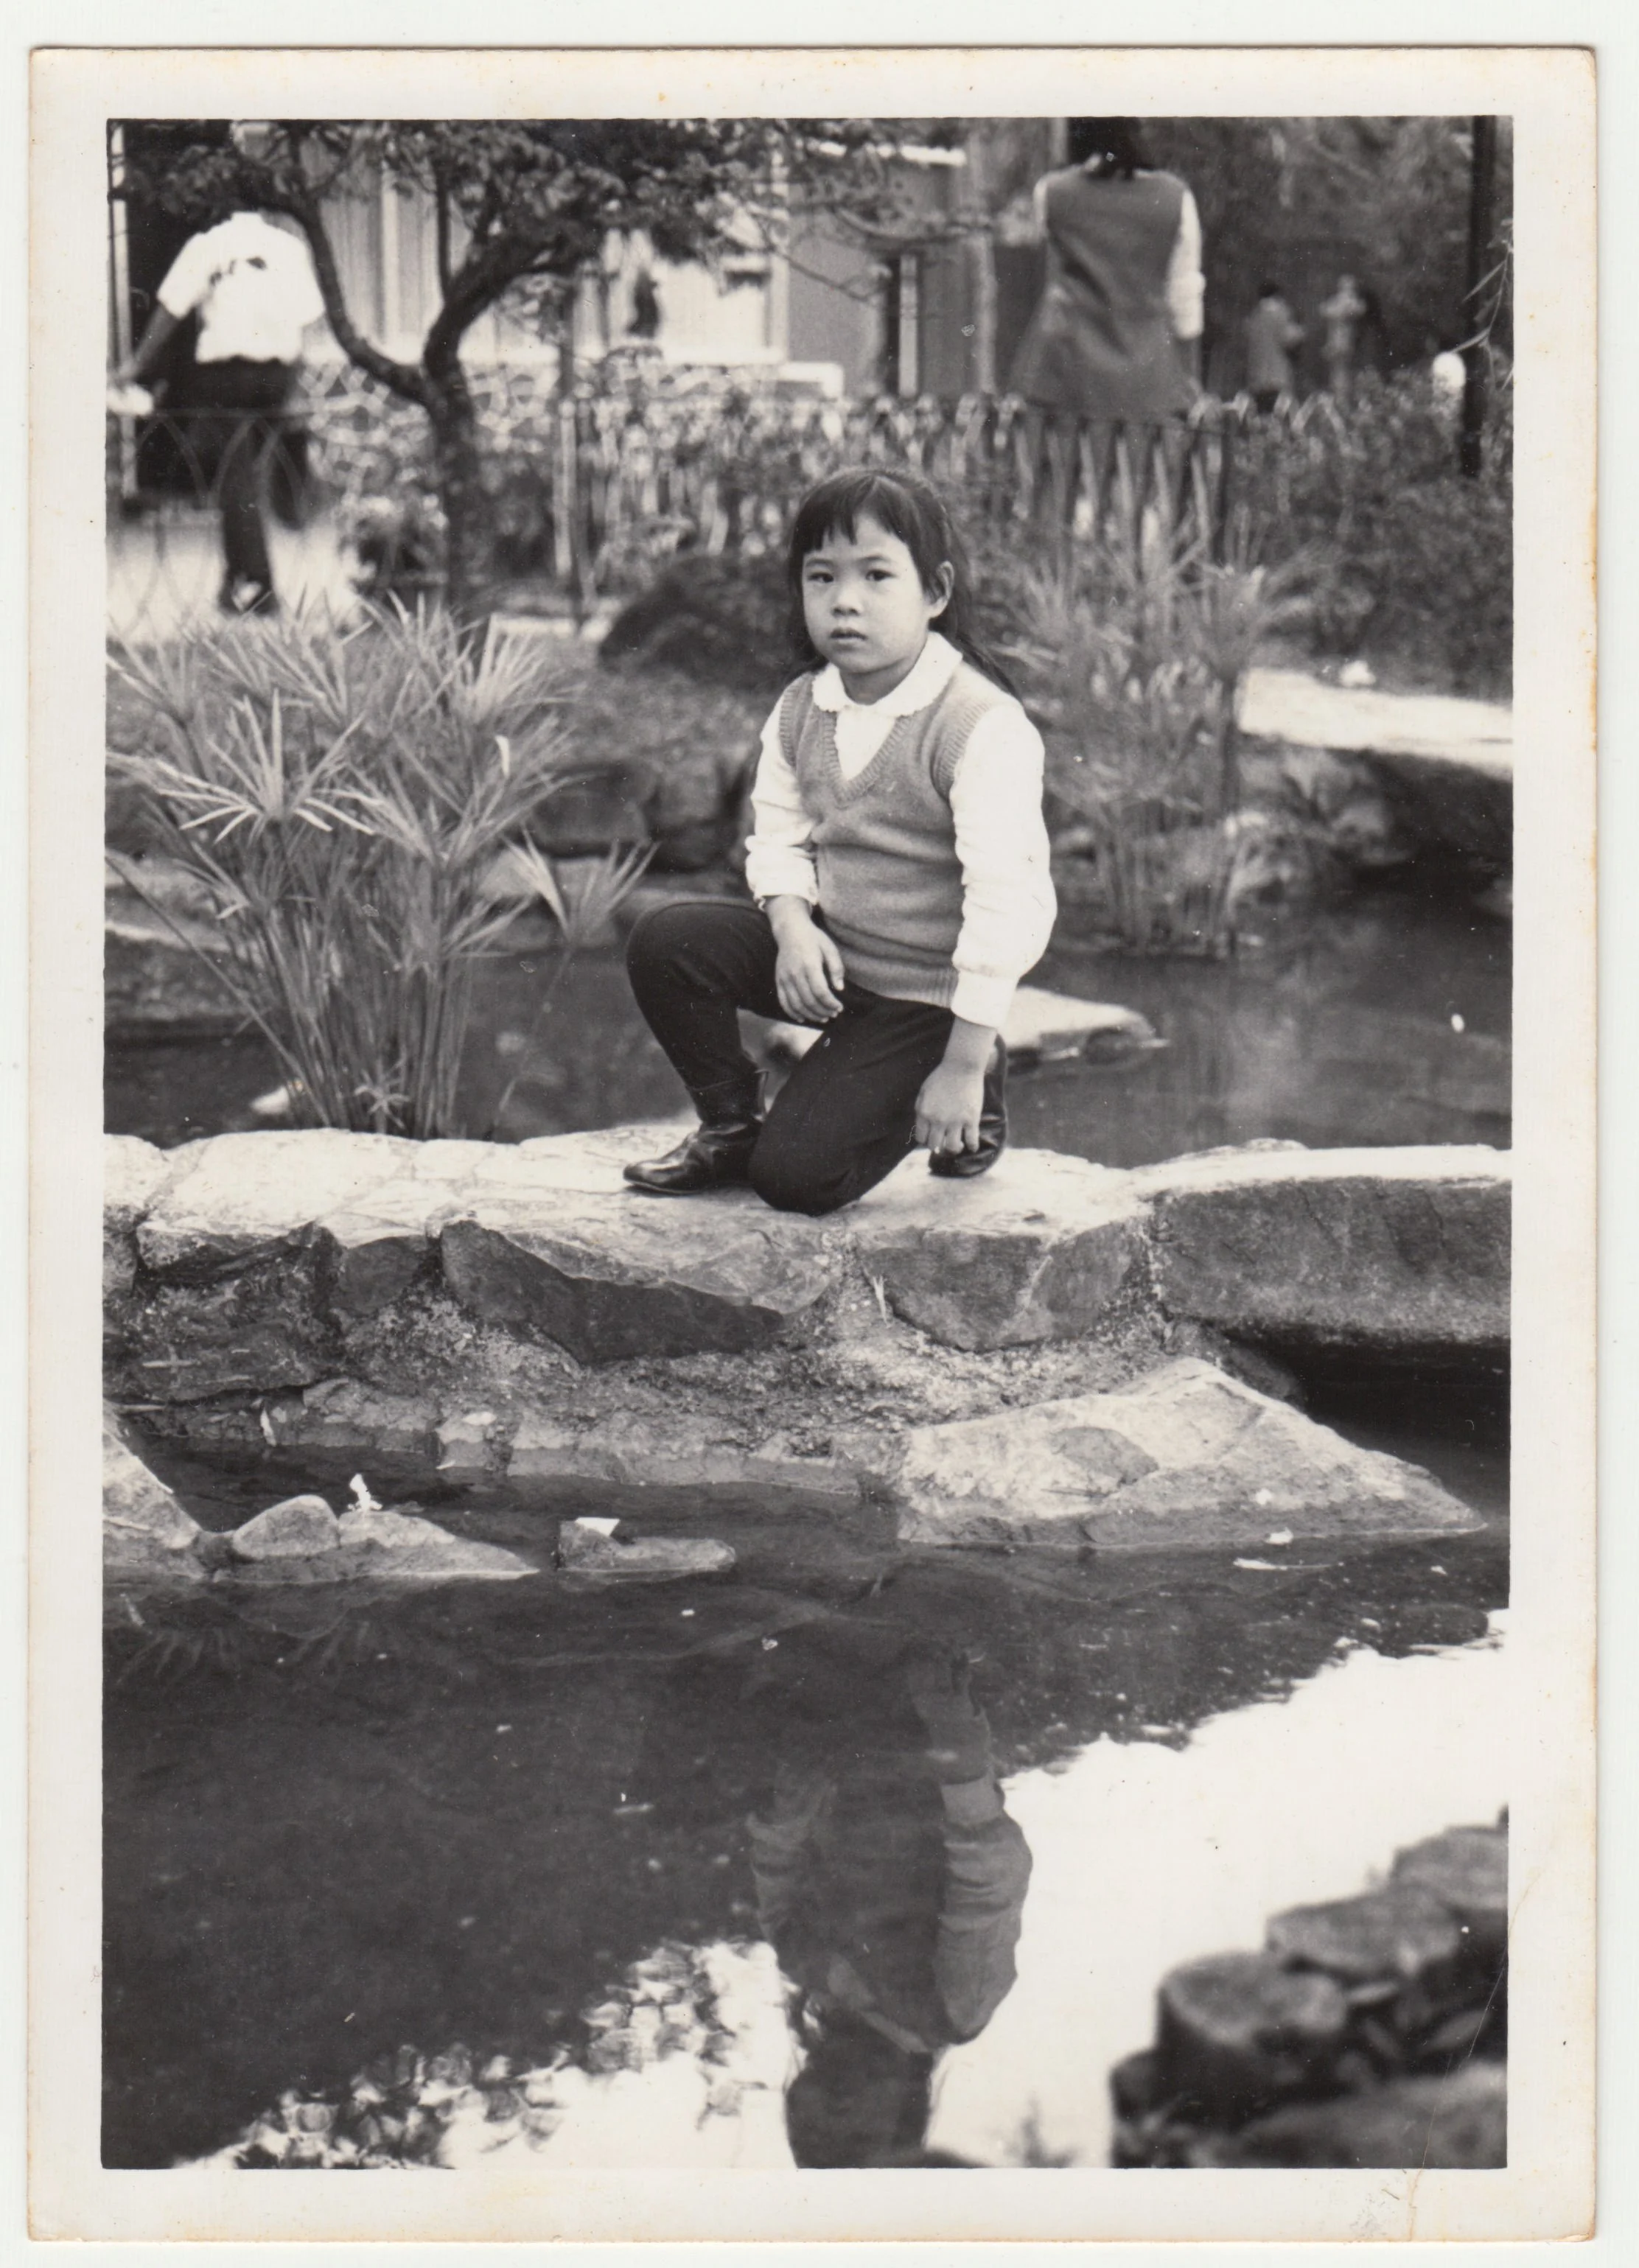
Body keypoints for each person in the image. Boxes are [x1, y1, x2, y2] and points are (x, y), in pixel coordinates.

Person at [621, 466, 1056, 1214]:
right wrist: (790, 930)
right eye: (821, 577)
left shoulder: (978, 725)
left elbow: (1007, 904)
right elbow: (778, 841)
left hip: (929, 993)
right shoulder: (802, 706)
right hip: (837, 962)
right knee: (667, 940)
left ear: (936, 592)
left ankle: (981, 1086)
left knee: (796, 1179)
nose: (844, 601)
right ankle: (728, 1126)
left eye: (876, 575)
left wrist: (960, 1061)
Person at [743, 1634, 1030, 2168]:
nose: (830, 2100)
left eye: (811, 2119)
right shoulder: (952, 2010)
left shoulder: (806, 1966)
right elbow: (992, 1872)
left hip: (830, 1746)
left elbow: (776, 1872)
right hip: (926, 1749)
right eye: (851, 2125)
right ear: (902, 2112)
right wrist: (950, 1732)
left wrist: (790, 1814)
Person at [111, 206, 325, 615]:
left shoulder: (207, 246)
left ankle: (257, 583)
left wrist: (136, 365)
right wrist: (298, 379)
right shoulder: (288, 247)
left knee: (233, 474)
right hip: (277, 372)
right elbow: (307, 318)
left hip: (226, 376)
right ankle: (240, 572)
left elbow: (171, 310)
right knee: (247, 468)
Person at [1008, 117, 1204, 420]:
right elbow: (1184, 299)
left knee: (1059, 463)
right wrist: (1189, 375)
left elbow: (1032, 260)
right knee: (1145, 464)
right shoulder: (1176, 199)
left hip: (1064, 376)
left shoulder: (1052, 192)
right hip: (1149, 379)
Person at [1243, 280, 1304, 413]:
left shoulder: (1255, 315)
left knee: (1261, 412)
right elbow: (1289, 339)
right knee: (1279, 411)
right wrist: (1300, 332)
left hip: (1257, 374)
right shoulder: (1281, 314)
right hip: (1277, 374)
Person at [1319, 272, 1370, 405]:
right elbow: (1325, 310)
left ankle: (1343, 401)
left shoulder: (1346, 303)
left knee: (1343, 373)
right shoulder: (1341, 302)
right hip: (1340, 343)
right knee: (1340, 373)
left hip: (1349, 342)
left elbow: (1359, 309)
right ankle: (1341, 402)